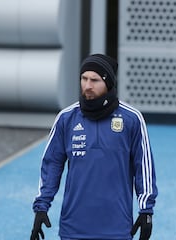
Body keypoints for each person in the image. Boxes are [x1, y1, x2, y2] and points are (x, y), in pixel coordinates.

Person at [30, 54, 158, 240]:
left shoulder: (132, 118)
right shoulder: (66, 118)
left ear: (108, 83)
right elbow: (51, 164)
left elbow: (143, 167)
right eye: (84, 78)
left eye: (95, 80)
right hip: (73, 228)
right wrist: (41, 206)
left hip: (117, 228)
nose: (87, 85)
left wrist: (146, 210)